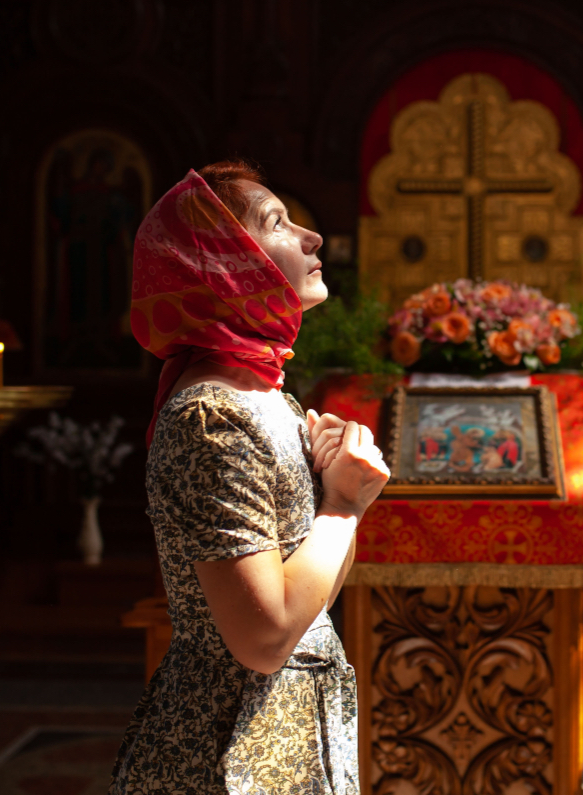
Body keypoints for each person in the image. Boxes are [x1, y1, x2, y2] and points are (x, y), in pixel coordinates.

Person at [110, 162, 387, 795]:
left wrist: (338, 490)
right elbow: (263, 638)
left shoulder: (272, 400)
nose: (311, 237)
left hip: (284, 728)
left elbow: (310, 600)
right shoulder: (212, 416)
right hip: (231, 745)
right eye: (277, 223)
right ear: (222, 262)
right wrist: (343, 503)